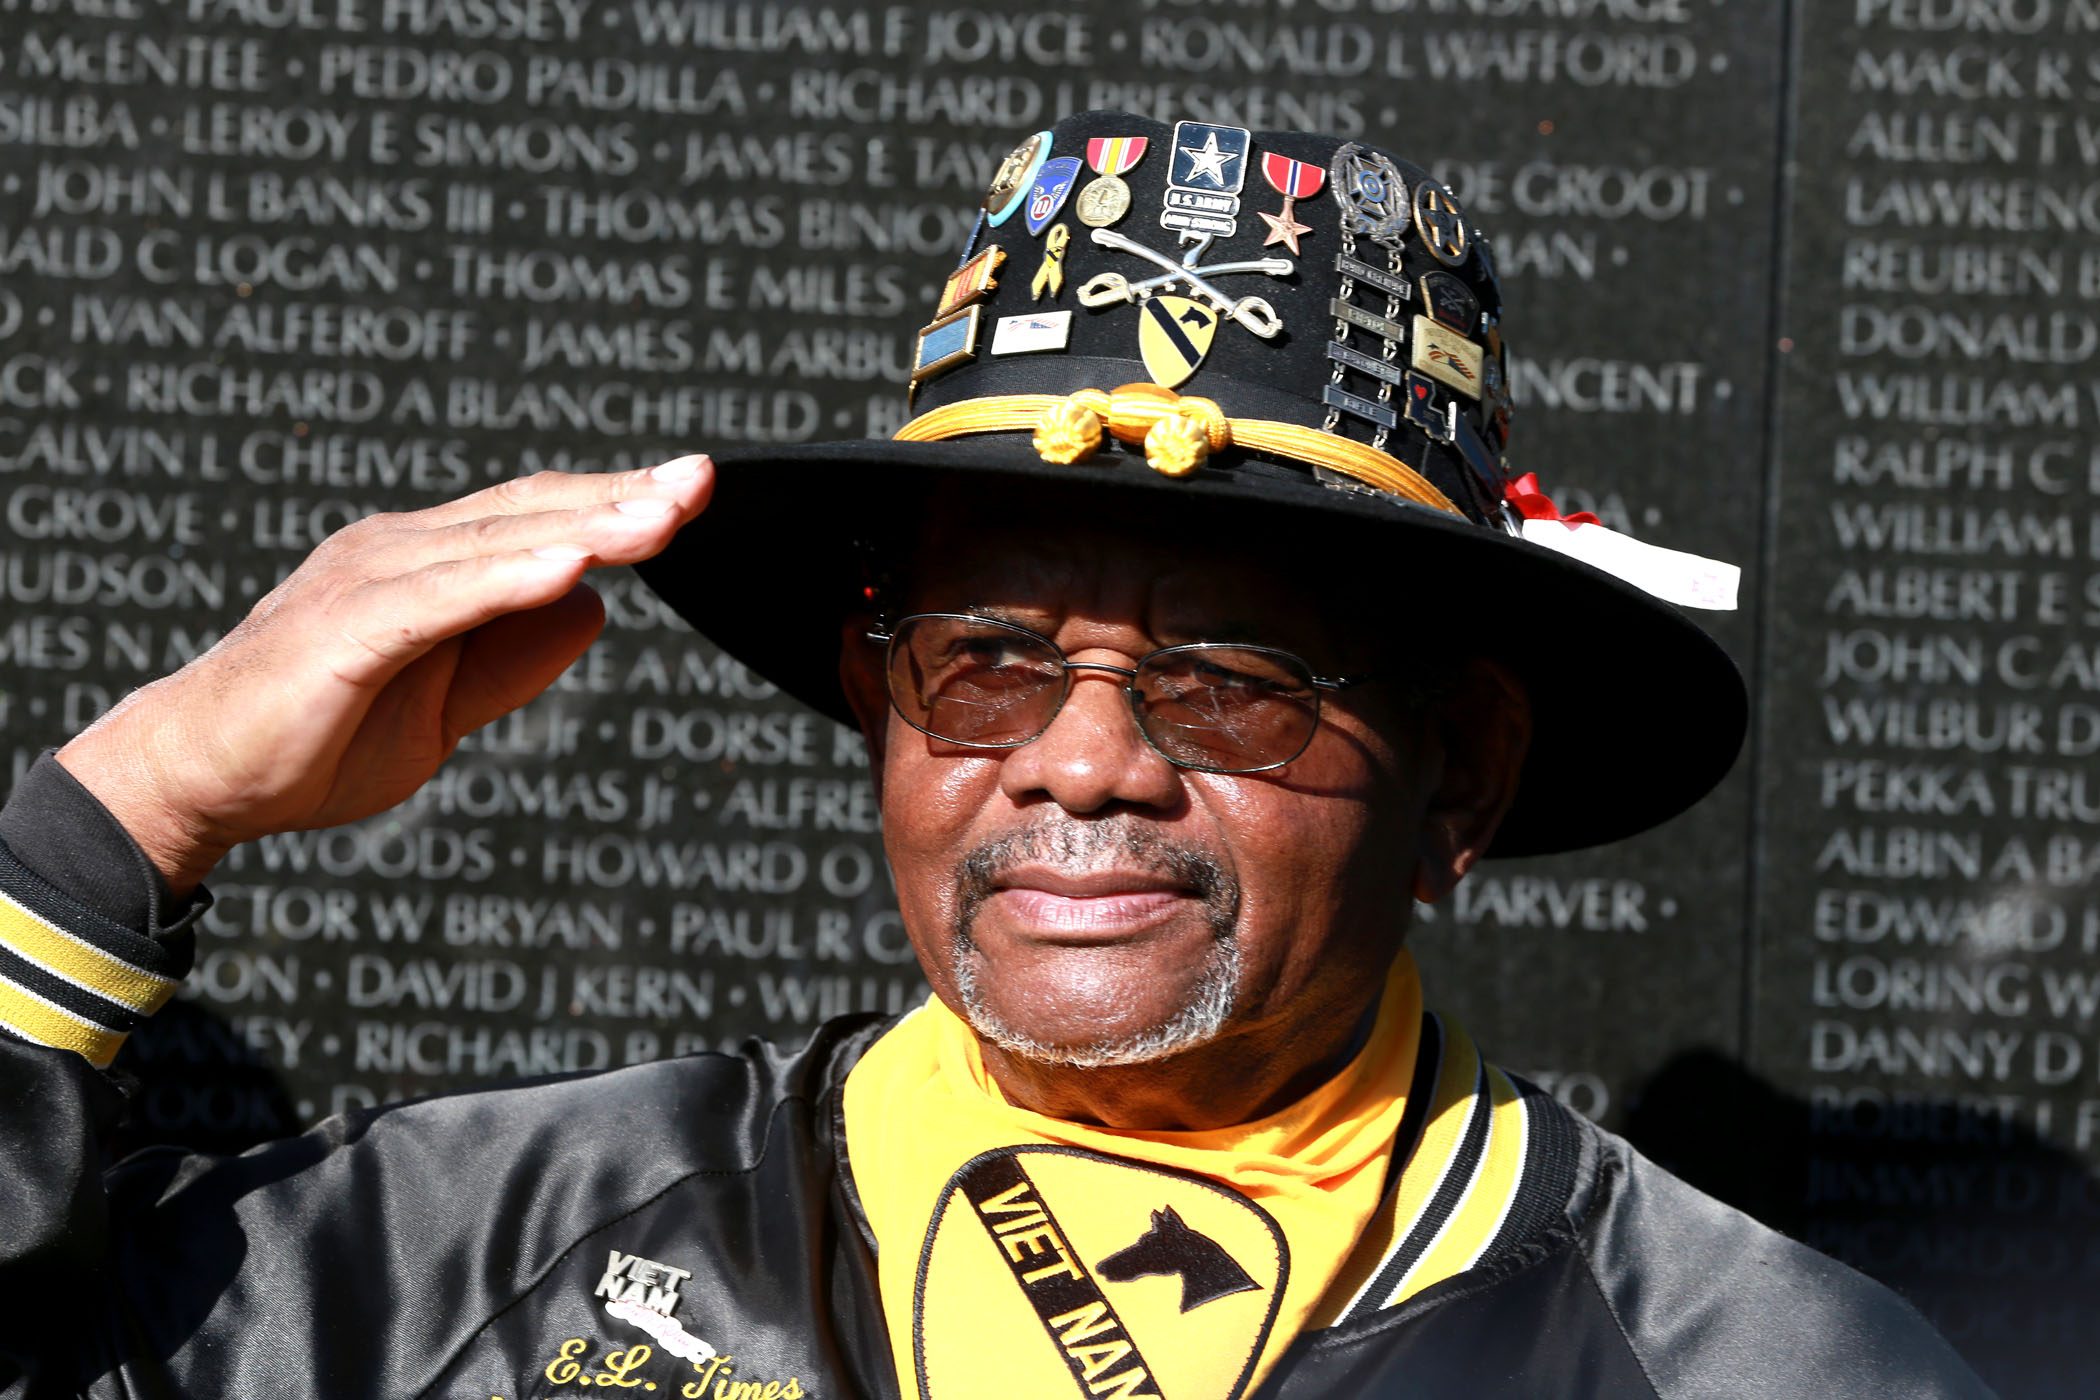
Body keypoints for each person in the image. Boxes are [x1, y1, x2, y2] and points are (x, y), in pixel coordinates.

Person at [0, 114, 1989, 1399]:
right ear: (879, 705)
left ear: (1457, 772)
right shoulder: (456, 1256)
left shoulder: (1763, 1369)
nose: (1087, 761)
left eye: (1229, 683)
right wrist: (137, 799)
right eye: (990, 661)